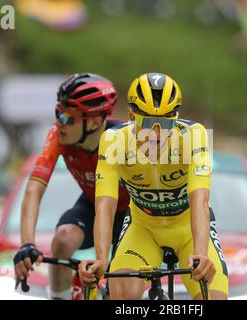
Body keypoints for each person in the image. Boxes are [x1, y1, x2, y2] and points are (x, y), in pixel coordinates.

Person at [78, 72, 228, 300]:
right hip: (143, 228)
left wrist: (200, 254)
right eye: (147, 123)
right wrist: (101, 259)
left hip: (187, 227)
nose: (156, 134)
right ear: (130, 116)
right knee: (123, 293)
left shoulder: (194, 135)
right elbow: (105, 205)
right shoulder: (114, 140)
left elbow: (200, 200)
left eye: (166, 124)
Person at [13, 73, 130, 300]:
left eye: (68, 118)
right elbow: (33, 191)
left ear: (95, 121)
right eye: (58, 113)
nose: (59, 123)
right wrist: (26, 244)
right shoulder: (58, 136)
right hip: (93, 204)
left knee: (121, 285)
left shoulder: (125, 139)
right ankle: (59, 297)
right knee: (63, 238)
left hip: (131, 213)